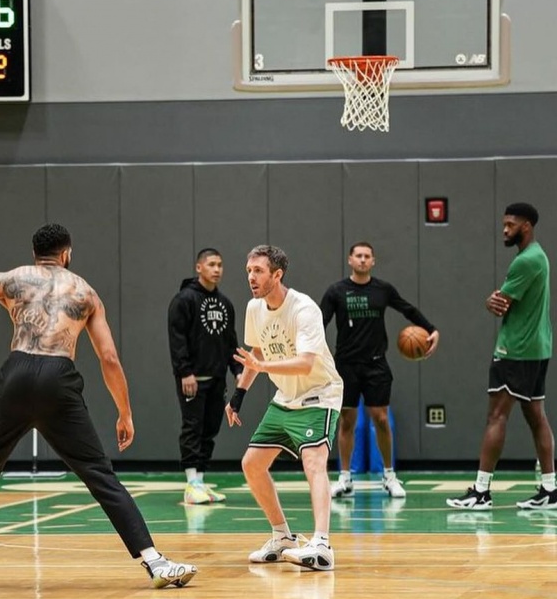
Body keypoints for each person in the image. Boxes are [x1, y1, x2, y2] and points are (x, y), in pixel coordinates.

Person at [0, 223, 197, 591]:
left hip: (16, 375)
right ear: (66, 254)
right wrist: (124, 412)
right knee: (100, 476)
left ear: (35, 253)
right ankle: (154, 562)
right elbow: (109, 358)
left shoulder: (8, 280)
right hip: (57, 378)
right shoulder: (85, 292)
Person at [225, 245, 343, 571]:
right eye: (249, 271)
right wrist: (239, 394)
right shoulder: (254, 308)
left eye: (258, 271)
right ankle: (283, 537)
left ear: (277, 274)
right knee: (252, 464)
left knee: (313, 462)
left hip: (319, 394)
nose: (251, 277)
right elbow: (258, 352)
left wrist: (262, 368)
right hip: (285, 397)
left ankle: (322, 545)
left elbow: (305, 364)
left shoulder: (304, 309)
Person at [447, 202, 556, 511]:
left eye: (511, 225)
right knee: (536, 417)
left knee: (496, 416)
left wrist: (491, 301)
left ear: (526, 226)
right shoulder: (539, 256)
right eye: (504, 224)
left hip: (515, 349)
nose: (505, 230)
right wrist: (494, 300)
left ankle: (481, 492)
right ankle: (550, 488)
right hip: (538, 347)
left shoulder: (526, 261)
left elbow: (500, 303)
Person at [320, 242, 440, 500]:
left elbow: (407, 309)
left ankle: (389, 476)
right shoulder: (336, 291)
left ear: (373, 261)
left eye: (367, 256)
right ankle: (345, 478)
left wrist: (431, 329)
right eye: (358, 256)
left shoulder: (382, 289)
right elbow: (320, 321)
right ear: (350, 260)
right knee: (347, 420)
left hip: (376, 364)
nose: (363, 260)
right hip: (346, 365)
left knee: (381, 419)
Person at [168, 248, 240, 505]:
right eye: (211, 264)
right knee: (193, 428)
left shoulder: (225, 303)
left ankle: (199, 481)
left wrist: (238, 370)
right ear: (199, 267)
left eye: (220, 264)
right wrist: (185, 372)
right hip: (193, 379)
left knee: (210, 430)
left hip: (217, 378)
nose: (217, 269)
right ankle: (191, 484)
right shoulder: (184, 300)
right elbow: (177, 340)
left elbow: (231, 342)